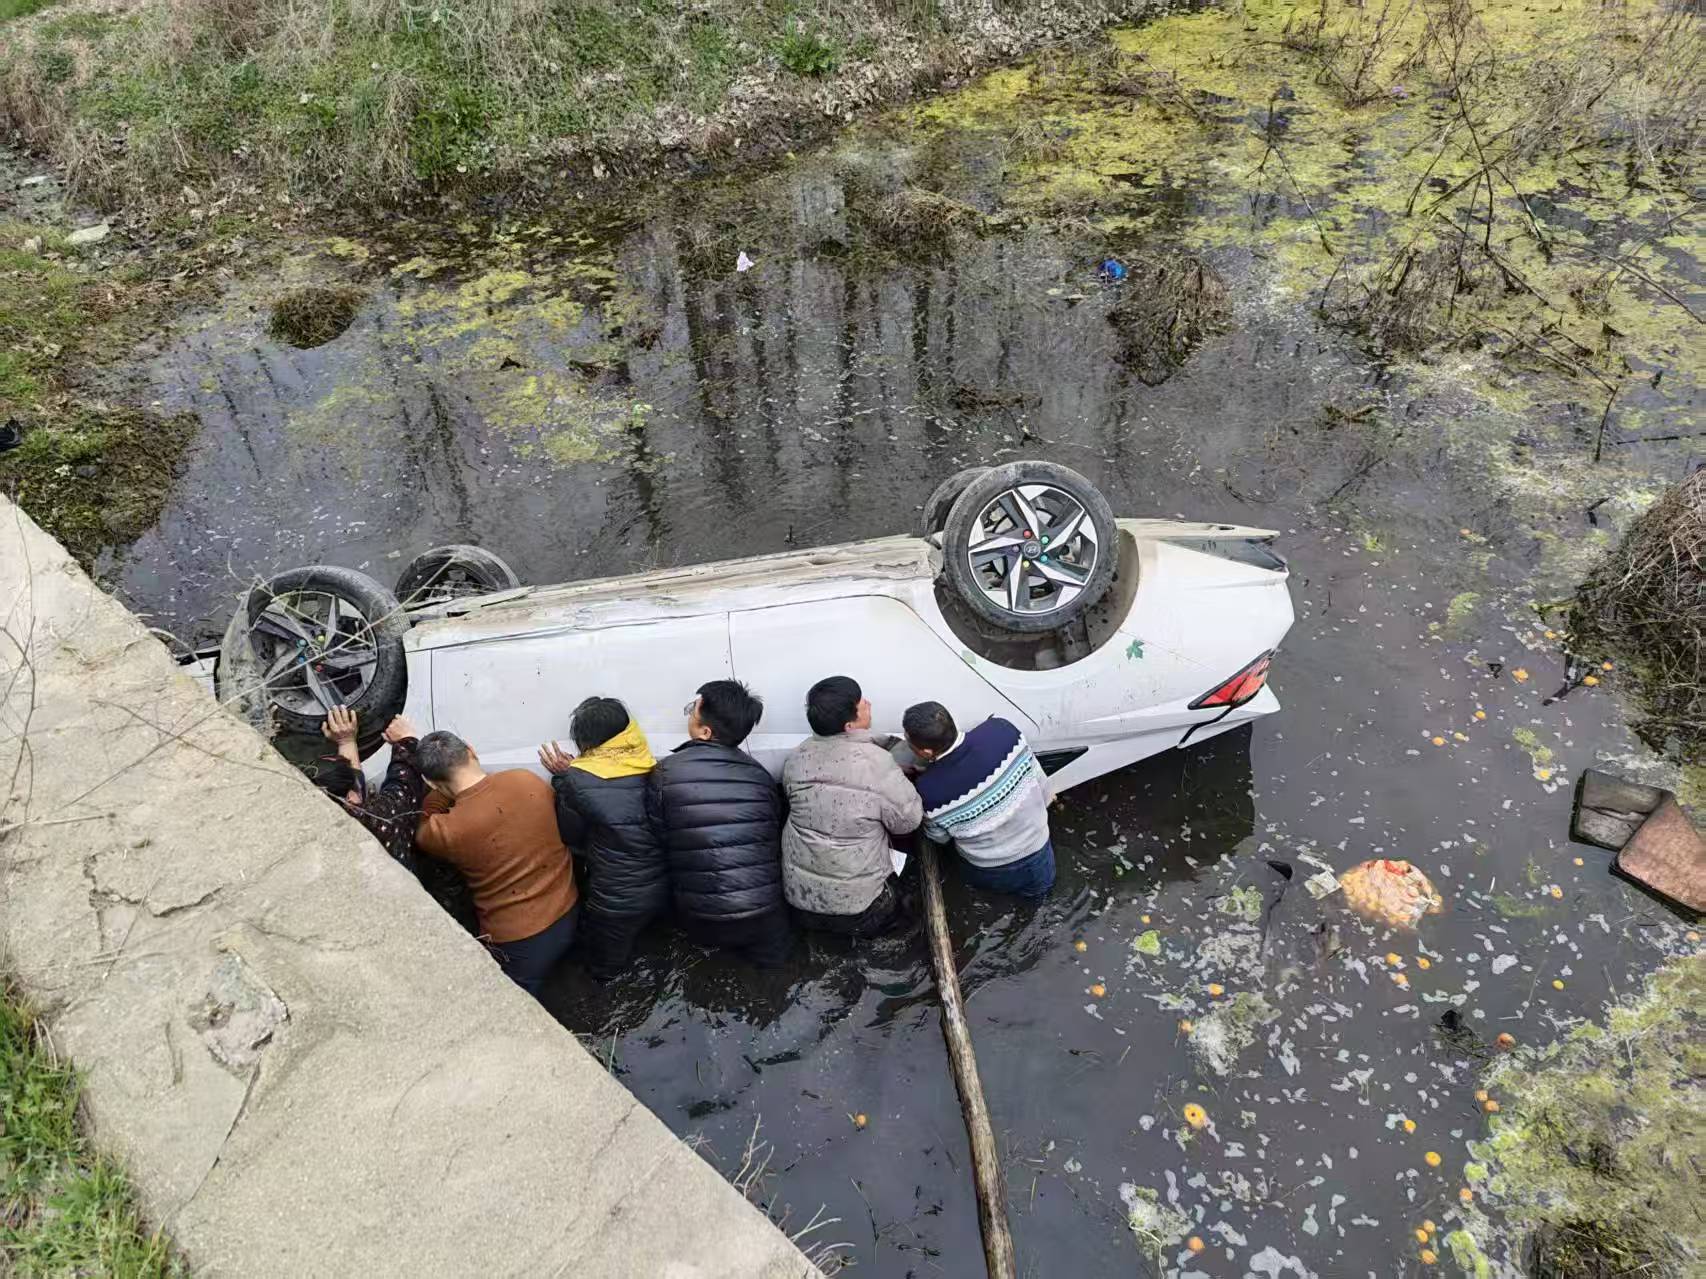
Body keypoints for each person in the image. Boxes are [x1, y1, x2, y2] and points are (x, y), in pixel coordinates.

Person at [414, 730, 579, 994]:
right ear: (471, 750)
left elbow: (424, 820)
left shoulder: (442, 831)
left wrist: (441, 790)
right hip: (569, 909)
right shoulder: (527, 780)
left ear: (431, 783)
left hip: (518, 942)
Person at [649, 680, 792, 967]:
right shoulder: (761, 776)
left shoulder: (665, 773)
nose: (689, 715)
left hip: (701, 914)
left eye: (692, 710)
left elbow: (660, 836)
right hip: (763, 911)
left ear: (705, 730)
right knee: (775, 973)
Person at [537, 697, 668, 981]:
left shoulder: (577, 781)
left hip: (617, 902)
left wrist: (563, 779)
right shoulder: (653, 763)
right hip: (668, 884)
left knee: (605, 966)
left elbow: (570, 836)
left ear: (585, 741)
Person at [312, 705, 475, 932]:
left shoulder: (317, 839)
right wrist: (406, 740)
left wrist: (346, 743)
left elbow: (357, 791)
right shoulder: (384, 822)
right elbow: (403, 781)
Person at [781, 676, 922, 936]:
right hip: (859, 910)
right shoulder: (877, 764)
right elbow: (908, 822)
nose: (868, 703)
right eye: (861, 704)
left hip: (799, 902)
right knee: (908, 904)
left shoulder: (796, 759)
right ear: (849, 725)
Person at [901, 701, 1056, 898]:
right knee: (1040, 893)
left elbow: (940, 838)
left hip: (988, 867)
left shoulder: (929, 791)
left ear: (926, 752)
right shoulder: (1003, 730)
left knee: (990, 897)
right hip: (1037, 846)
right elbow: (1039, 779)